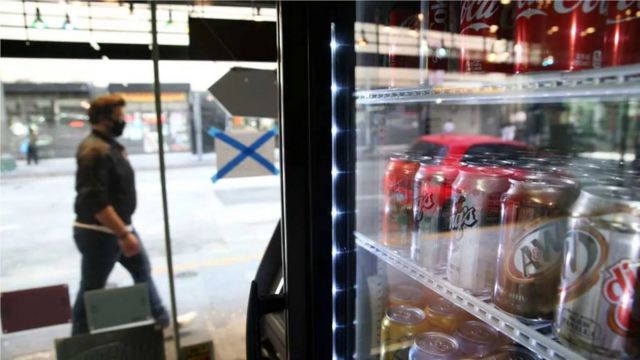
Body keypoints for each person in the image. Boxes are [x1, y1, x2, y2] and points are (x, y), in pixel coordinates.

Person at [71, 94, 169, 335]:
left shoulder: (109, 146)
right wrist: (123, 234)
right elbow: (94, 200)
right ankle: (79, 337)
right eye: (119, 116)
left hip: (116, 227)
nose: (122, 121)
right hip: (101, 232)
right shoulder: (94, 151)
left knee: (141, 269)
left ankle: (160, 318)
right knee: (92, 287)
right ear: (103, 119)